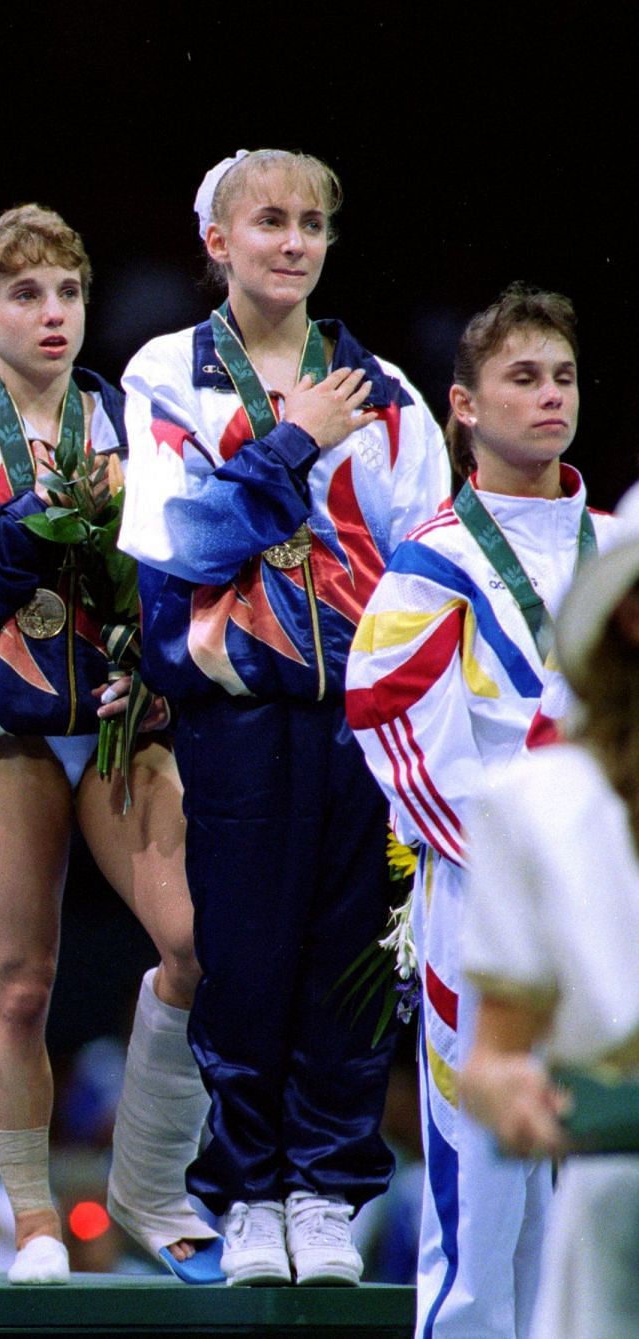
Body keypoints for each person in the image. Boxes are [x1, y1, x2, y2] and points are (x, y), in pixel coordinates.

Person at [118, 149, 449, 1286]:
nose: (294, 241)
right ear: (217, 241)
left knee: (349, 962)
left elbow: (426, 567)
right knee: (248, 959)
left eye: (312, 222)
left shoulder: (388, 388)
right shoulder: (170, 376)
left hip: (360, 722)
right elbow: (185, 541)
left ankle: (324, 1192)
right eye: (270, 221)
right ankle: (247, 1191)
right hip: (241, 714)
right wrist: (294, 440)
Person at [0, 205, 214, 1284]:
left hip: (120, 721)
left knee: (195, 945)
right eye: (25, 295)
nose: (53, 313)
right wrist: (31, 520)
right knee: (21, 982)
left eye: (67, 292)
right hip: (6, 726)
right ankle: (31, 1220)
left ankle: (149, 1185)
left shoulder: (131, 420)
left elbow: (187, 564)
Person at [347, 285, 603, 1336]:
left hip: (613, 894)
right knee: (484, 1179)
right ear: (462, 404)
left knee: (596, 1173)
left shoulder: (617, 549)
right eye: (522, 377)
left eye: (563, 376)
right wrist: (507, 852)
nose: (549, 397)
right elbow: (388, 709)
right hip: (488, 890)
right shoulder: (433, 561)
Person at [459, 483, 639, 1339]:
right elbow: (493, 1061)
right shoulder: (533, 805)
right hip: (615, 1205)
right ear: (630, 615)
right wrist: (515, 1099)